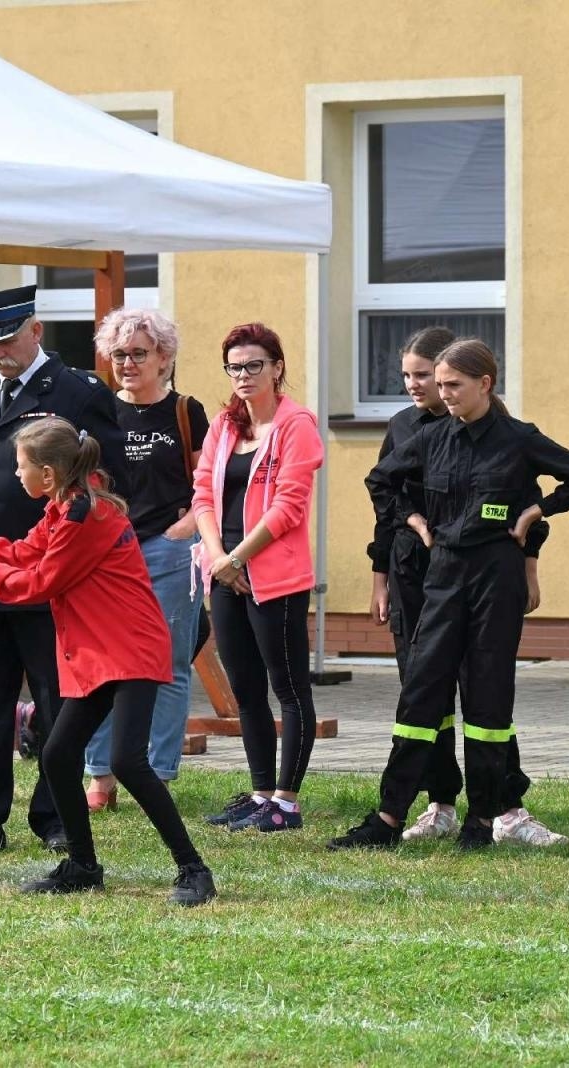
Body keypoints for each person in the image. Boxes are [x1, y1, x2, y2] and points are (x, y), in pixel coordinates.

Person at [0, 418, 216, 905]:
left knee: (128, 762)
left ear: (49, 474)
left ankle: (194, 869)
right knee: (57, 754)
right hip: (101, 651)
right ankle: (82, 866)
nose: (15, 475)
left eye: (21, 466)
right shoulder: (67, 506)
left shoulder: (85, 516)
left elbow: (38, 583)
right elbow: (25, 550)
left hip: (130, 649)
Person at [336, 340, 569, 851]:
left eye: (454, 385)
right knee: (422, 690)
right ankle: (388, 818)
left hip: (496, 574)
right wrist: (412, 520)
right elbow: (381, 480)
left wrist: (534, 512)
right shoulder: (431, 438)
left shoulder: (518, 439)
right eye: (441, 384)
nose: (444, 393)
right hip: (444, 571)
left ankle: (481, 820)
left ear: (485, 384)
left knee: (488, 695)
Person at [0, 284, 126, 853]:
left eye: (7, 337)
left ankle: (56, 815)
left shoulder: (77, 390)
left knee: (56, 704)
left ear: (36, 331)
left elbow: (103, 480)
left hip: (49, 575)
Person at [194, 322, 323, 833]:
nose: (243, 376)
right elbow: (203, 493)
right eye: (234, 367)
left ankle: (287, 803)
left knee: (288, 689)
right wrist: (217, 558)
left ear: (277, 368)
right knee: (246, 689)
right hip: (224, 573)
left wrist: (239, 558)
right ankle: (260, 792)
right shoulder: (225, 426)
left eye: (254, 365)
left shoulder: (297, 425)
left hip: (273, 577)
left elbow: (289, 506)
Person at [81, 308, 207, 811]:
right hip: (109, 554)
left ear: (164, 357)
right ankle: (99, 777)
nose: (128, 363)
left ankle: (157, 774)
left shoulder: (185, 411)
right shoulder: (99, 411)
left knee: (169, 664)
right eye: (119, 354)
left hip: (168, 550)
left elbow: (209, 483)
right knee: (102, 665)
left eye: (139, 354)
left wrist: (187, 530)